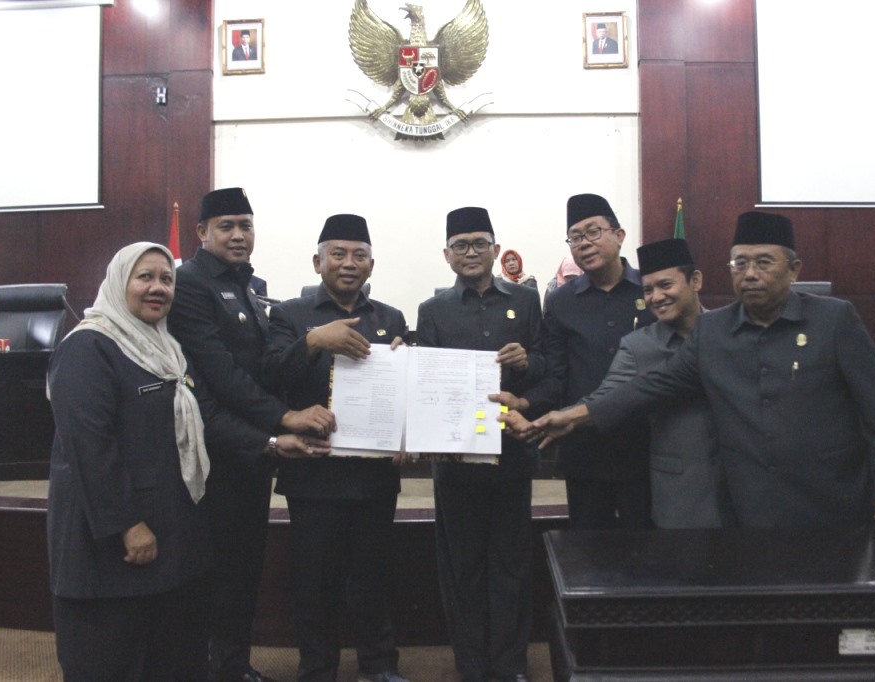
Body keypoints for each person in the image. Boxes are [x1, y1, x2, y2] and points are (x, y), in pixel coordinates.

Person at [528, 211, 875, 528]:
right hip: (749, 506)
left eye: (763, 262)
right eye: (740, 263)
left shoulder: (834, 320)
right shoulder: (714, 331)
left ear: (794, 269)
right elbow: (651, 386)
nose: (750, 274)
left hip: (831, 498)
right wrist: (572, 417)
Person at [47, 242, 314, 682]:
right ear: (118, 282)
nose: (158, 288)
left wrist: (269, 442)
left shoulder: (169, 350)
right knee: (112, 660)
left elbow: (208, 416)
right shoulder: (88, 348)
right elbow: (91, 451)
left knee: (170, 658)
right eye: (145, 277)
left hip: (170, 534)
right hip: (110, 546)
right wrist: (128, 526)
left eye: (166, 279)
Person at [168, 188, 330, 682]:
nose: (238, 235)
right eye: (227, 226)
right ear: (202, 232)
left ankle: (233, 665)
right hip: (217, 452)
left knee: (243, 566)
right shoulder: (190, 283)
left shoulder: (249, 286)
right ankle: (214, 666)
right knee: (217, 568)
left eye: (246, 225)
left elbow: (264, 368)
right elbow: (221, 373)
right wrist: (285, 417)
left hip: (251, 456)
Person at [261, 214, 410, 682]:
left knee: (374, 576)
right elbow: (269, 378)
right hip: (314, 473)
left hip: (374, 476)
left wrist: (406, 371)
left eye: (359, 255)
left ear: (371, 265)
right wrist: (312, 342)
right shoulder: (289, 315)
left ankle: (379, 666)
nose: (349, 263)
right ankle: (317, 668)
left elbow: (406, 391)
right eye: (338, 254)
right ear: (317, 262)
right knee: (314, 582)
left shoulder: (390, 318)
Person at [416, 206, 544, 682]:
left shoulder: (526, 300)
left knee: (511, 564)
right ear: (447, 255)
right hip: (455, 462)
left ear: (495, 249)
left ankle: (510, 666)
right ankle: (471, 667)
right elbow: (425, 378)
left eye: (479, 243)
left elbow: (548, 363)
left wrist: (528, 362)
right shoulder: (432, 310)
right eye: (460, 245)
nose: (470, 252)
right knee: (462, 568)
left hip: (511, 454)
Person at [493, 193, 656, 530]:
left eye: (593, 232)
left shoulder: (652, 290)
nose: (584, 243)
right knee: (587, 549)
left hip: (647, 446)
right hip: (585, 450)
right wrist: (525, 404)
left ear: (619, 235)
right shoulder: (560, 301)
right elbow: (556, 376)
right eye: (575, 237)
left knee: (649, 548)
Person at [590, 238, 729, 528]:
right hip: (681, 495)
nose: (656, 297)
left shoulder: (730, 331)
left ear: (695, 280)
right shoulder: (638, 346)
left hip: (743, 489)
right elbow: (604, 399)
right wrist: (545, 418)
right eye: (648, 290)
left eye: (666, 285)